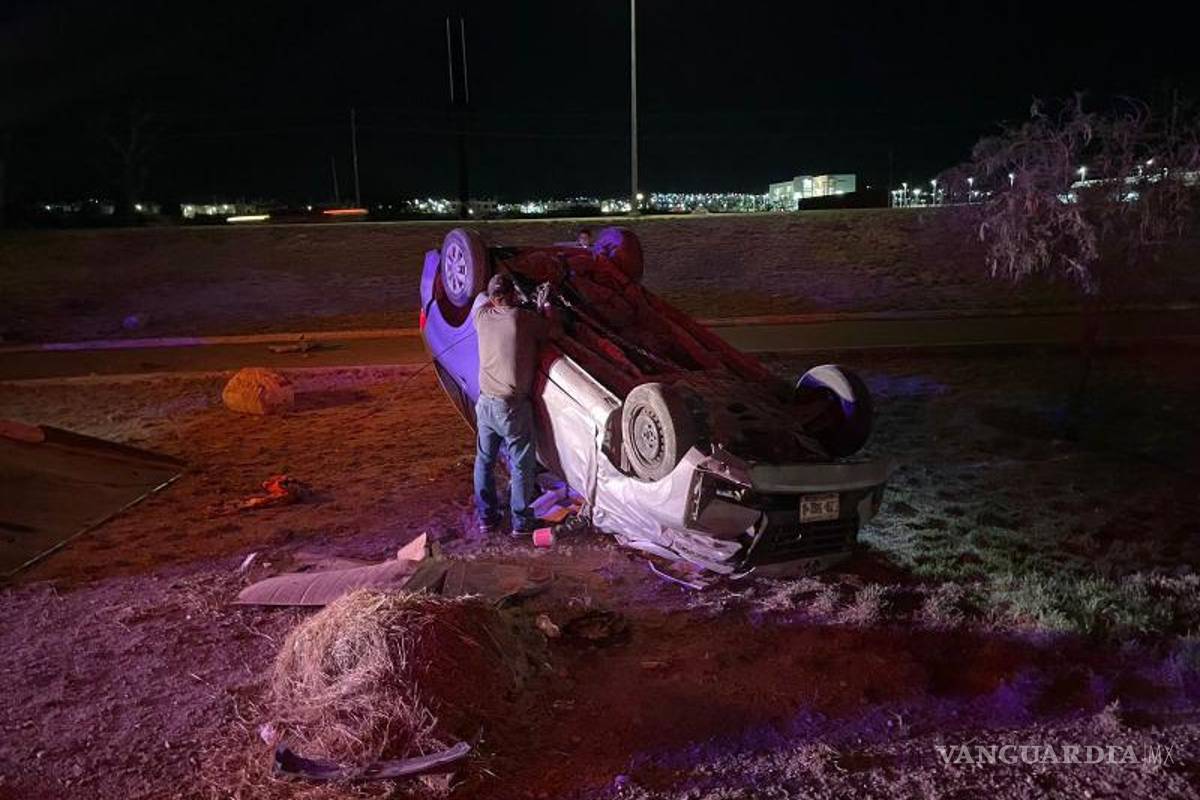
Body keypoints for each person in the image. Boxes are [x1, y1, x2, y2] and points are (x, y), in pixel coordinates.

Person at [473, 273, 555, 536]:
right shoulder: (522, 319)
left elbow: (479, 298)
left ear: (492, 298)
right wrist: (546, 307)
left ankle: (487, 518)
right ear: (513, 295)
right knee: (521, 464)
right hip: (511, 408)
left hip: (485, 404)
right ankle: (521, 522)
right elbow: (554, 330)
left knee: (484, 461)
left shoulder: (481, 317)